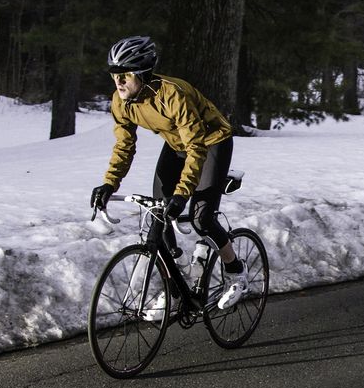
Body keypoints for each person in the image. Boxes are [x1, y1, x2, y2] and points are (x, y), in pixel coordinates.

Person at [90, 35, 248, 310]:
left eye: (125, 74)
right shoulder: (121, 101)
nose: (118, 81)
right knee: (158, 214)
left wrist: (182, 193)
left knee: (201, 219)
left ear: (141, 73)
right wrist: (109, 184)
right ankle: (177, 285)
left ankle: (236, 271)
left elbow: (196, 147)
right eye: (114, 74)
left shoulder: (173, 93)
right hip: (177, 145)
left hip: (210, 143)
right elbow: (124, 146)